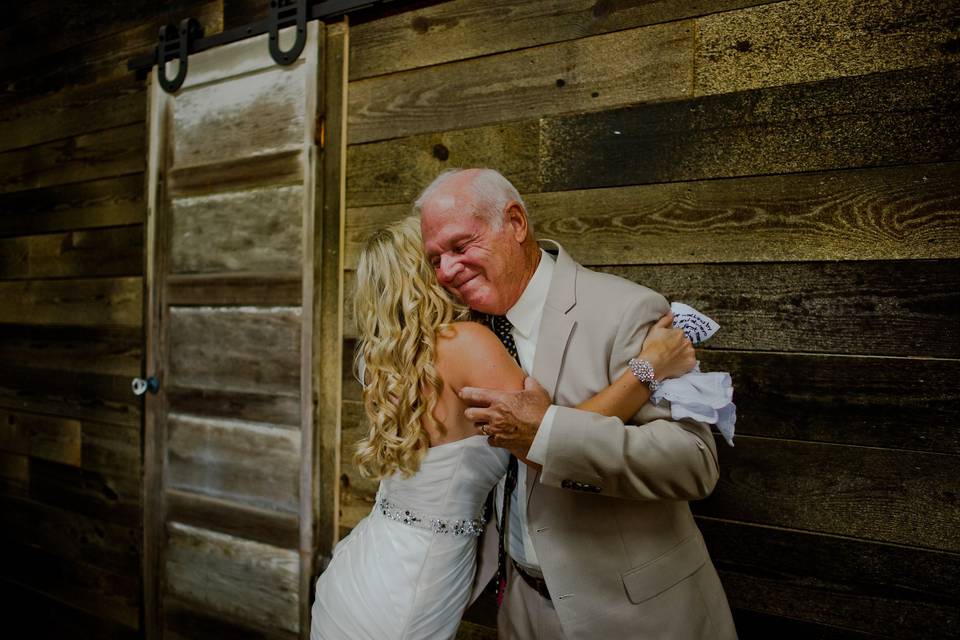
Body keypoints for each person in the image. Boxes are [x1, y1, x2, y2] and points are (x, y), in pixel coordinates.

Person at [309, 217, 698, 640]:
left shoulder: (379, 356)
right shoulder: (464, 344)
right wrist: (646, 370)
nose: (453, 268)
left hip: (369, 565)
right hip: (415, 577)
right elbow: (546, 436)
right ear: (423, 274)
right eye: (439, 258)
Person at [418, 168, 737, 639]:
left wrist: (547, 435)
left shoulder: (628, 309)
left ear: (516, 222)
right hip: (520, 609)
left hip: (635, 615)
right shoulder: (464, 328)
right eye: (435, 259)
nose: (446, 272)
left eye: (460, 247)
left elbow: (694, 463)